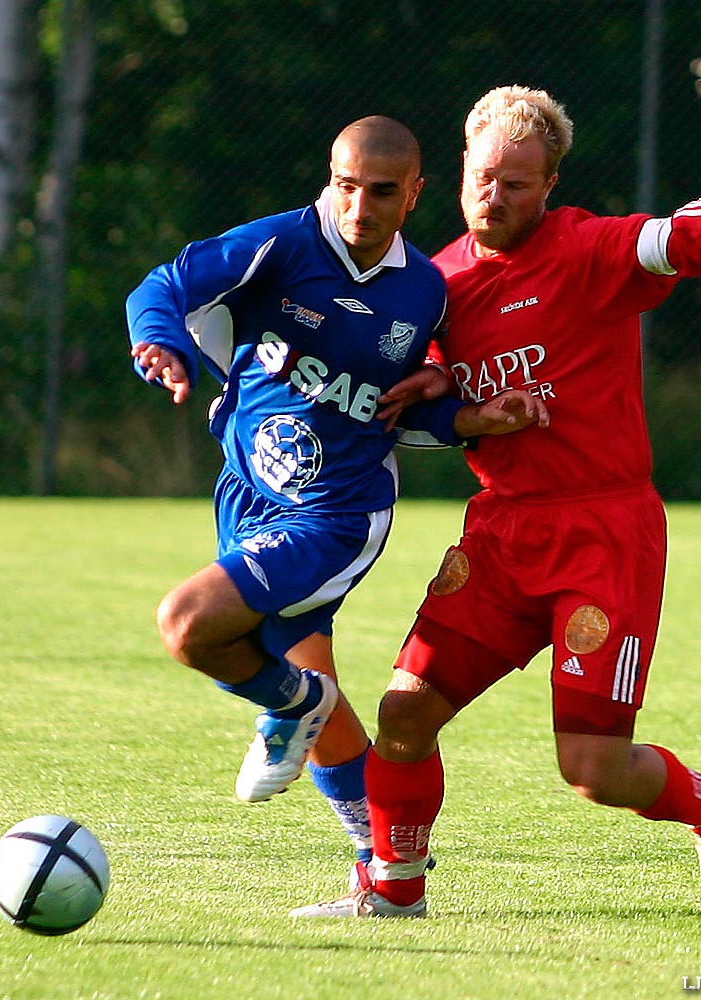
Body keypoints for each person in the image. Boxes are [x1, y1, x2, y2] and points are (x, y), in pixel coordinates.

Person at [290, 86, 701, 918]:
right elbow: (392, 397)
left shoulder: (588, 250)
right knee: (403, 715)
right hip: (499, 532)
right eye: (484, 177)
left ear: (551, 188)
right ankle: (394, 889)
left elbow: (687, 236)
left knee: (593, 771)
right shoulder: (435, 283)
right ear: (460, 169)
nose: (495, 197)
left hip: (603, 531)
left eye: (518, 185)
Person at [125, 115, 547, 871]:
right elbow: (167, 284)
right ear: (329, 178)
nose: (358, 208)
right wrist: (158, 340)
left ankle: (291, 705)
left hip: (338, 514)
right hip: (248, 496)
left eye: (381, 192)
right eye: (345, 187)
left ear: (414, 194)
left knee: (188, 626)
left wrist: (465, 405)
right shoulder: (283, 245)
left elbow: (419, 399)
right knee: (307, 673)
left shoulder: (425, 291)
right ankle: (384, 865)